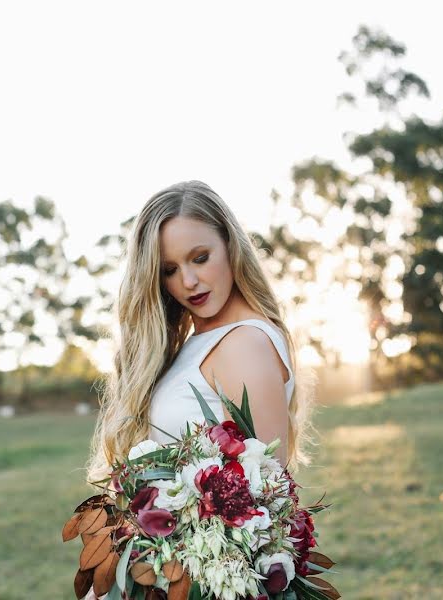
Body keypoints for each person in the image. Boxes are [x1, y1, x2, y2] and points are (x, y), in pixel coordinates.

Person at [82, 180, 314, 599]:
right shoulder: (201, 341)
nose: (189, 281)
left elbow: (265, 506)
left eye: (200, 258)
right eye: (169, 270)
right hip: (169, 574)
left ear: (230, 244)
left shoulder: (244, 343)